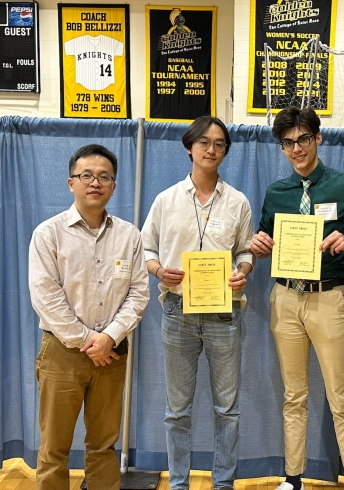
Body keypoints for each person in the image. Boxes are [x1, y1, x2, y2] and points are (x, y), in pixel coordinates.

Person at [251, 106, 344, 490]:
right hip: (286, 299)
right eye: (288, 143)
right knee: (294, 396)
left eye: (303, 139)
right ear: (281, 148)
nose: (297, 149)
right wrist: (258, 244)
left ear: (318, 138)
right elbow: (263, 239)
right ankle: (293, 480)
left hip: (329, 300)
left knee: (341, 399)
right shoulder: (277, 193)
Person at [141, 116, 255, 490]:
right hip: (177, 312)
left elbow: (244, 250)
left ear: (225, 151)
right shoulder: (166, 200)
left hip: (225, 312)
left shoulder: (237, 202)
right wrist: (158, 270)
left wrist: (243, 270)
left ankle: (223, 484)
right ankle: (178, 484)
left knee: (228, 410)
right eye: (204, 142)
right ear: (189, 147)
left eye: (219, 143)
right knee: (177, 412)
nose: (211, 149)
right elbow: (147, 247)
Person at [28, 144, 150, 490]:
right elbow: (45, 296)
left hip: (111, 353)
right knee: (54, 448)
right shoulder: (48, 233)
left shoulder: (130, 236)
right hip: (62, 353)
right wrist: (87, 341)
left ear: (113, 186)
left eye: (104, 177)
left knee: (103, 446)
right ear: (71, 183)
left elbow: (138, 293)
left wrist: (109, 336)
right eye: (86, 176)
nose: (95, 183)